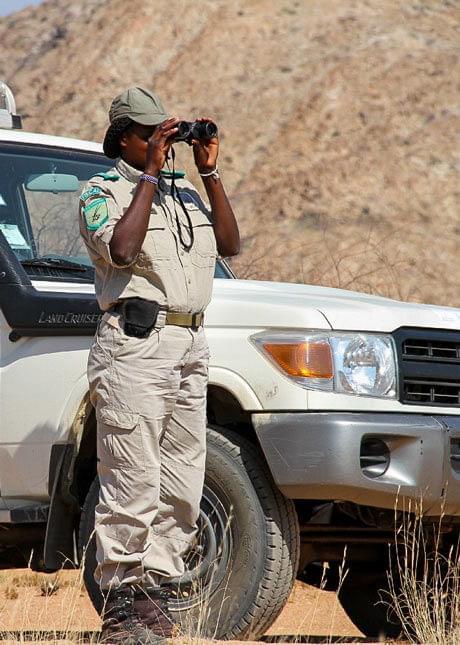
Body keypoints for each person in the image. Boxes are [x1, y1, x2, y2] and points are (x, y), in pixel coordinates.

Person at [79, 86, 240, 644]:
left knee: (181, 483)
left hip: (189, 347)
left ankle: (157, 601)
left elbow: (229, 243)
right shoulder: (102, 192)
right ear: (125, 136)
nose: (162, 145)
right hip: (135, 347)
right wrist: (148, 175)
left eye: (165, 135)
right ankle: (124, 607)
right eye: (151, 136)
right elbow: (121, 251)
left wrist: (209, 173)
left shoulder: (184, 194)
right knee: (132, 480)